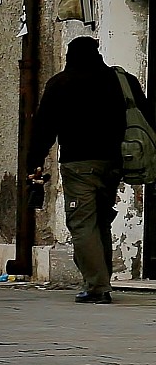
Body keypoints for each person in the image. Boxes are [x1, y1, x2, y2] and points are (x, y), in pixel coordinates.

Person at [28, 34, 142, 303]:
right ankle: (100, 278)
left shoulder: (61, 83)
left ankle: (97, 287)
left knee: (82, 224)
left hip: (78, 165)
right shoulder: (121, 81)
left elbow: (44, 127)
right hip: (115, 163)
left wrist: (34, 162)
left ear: (70, 56)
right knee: (101, 221)